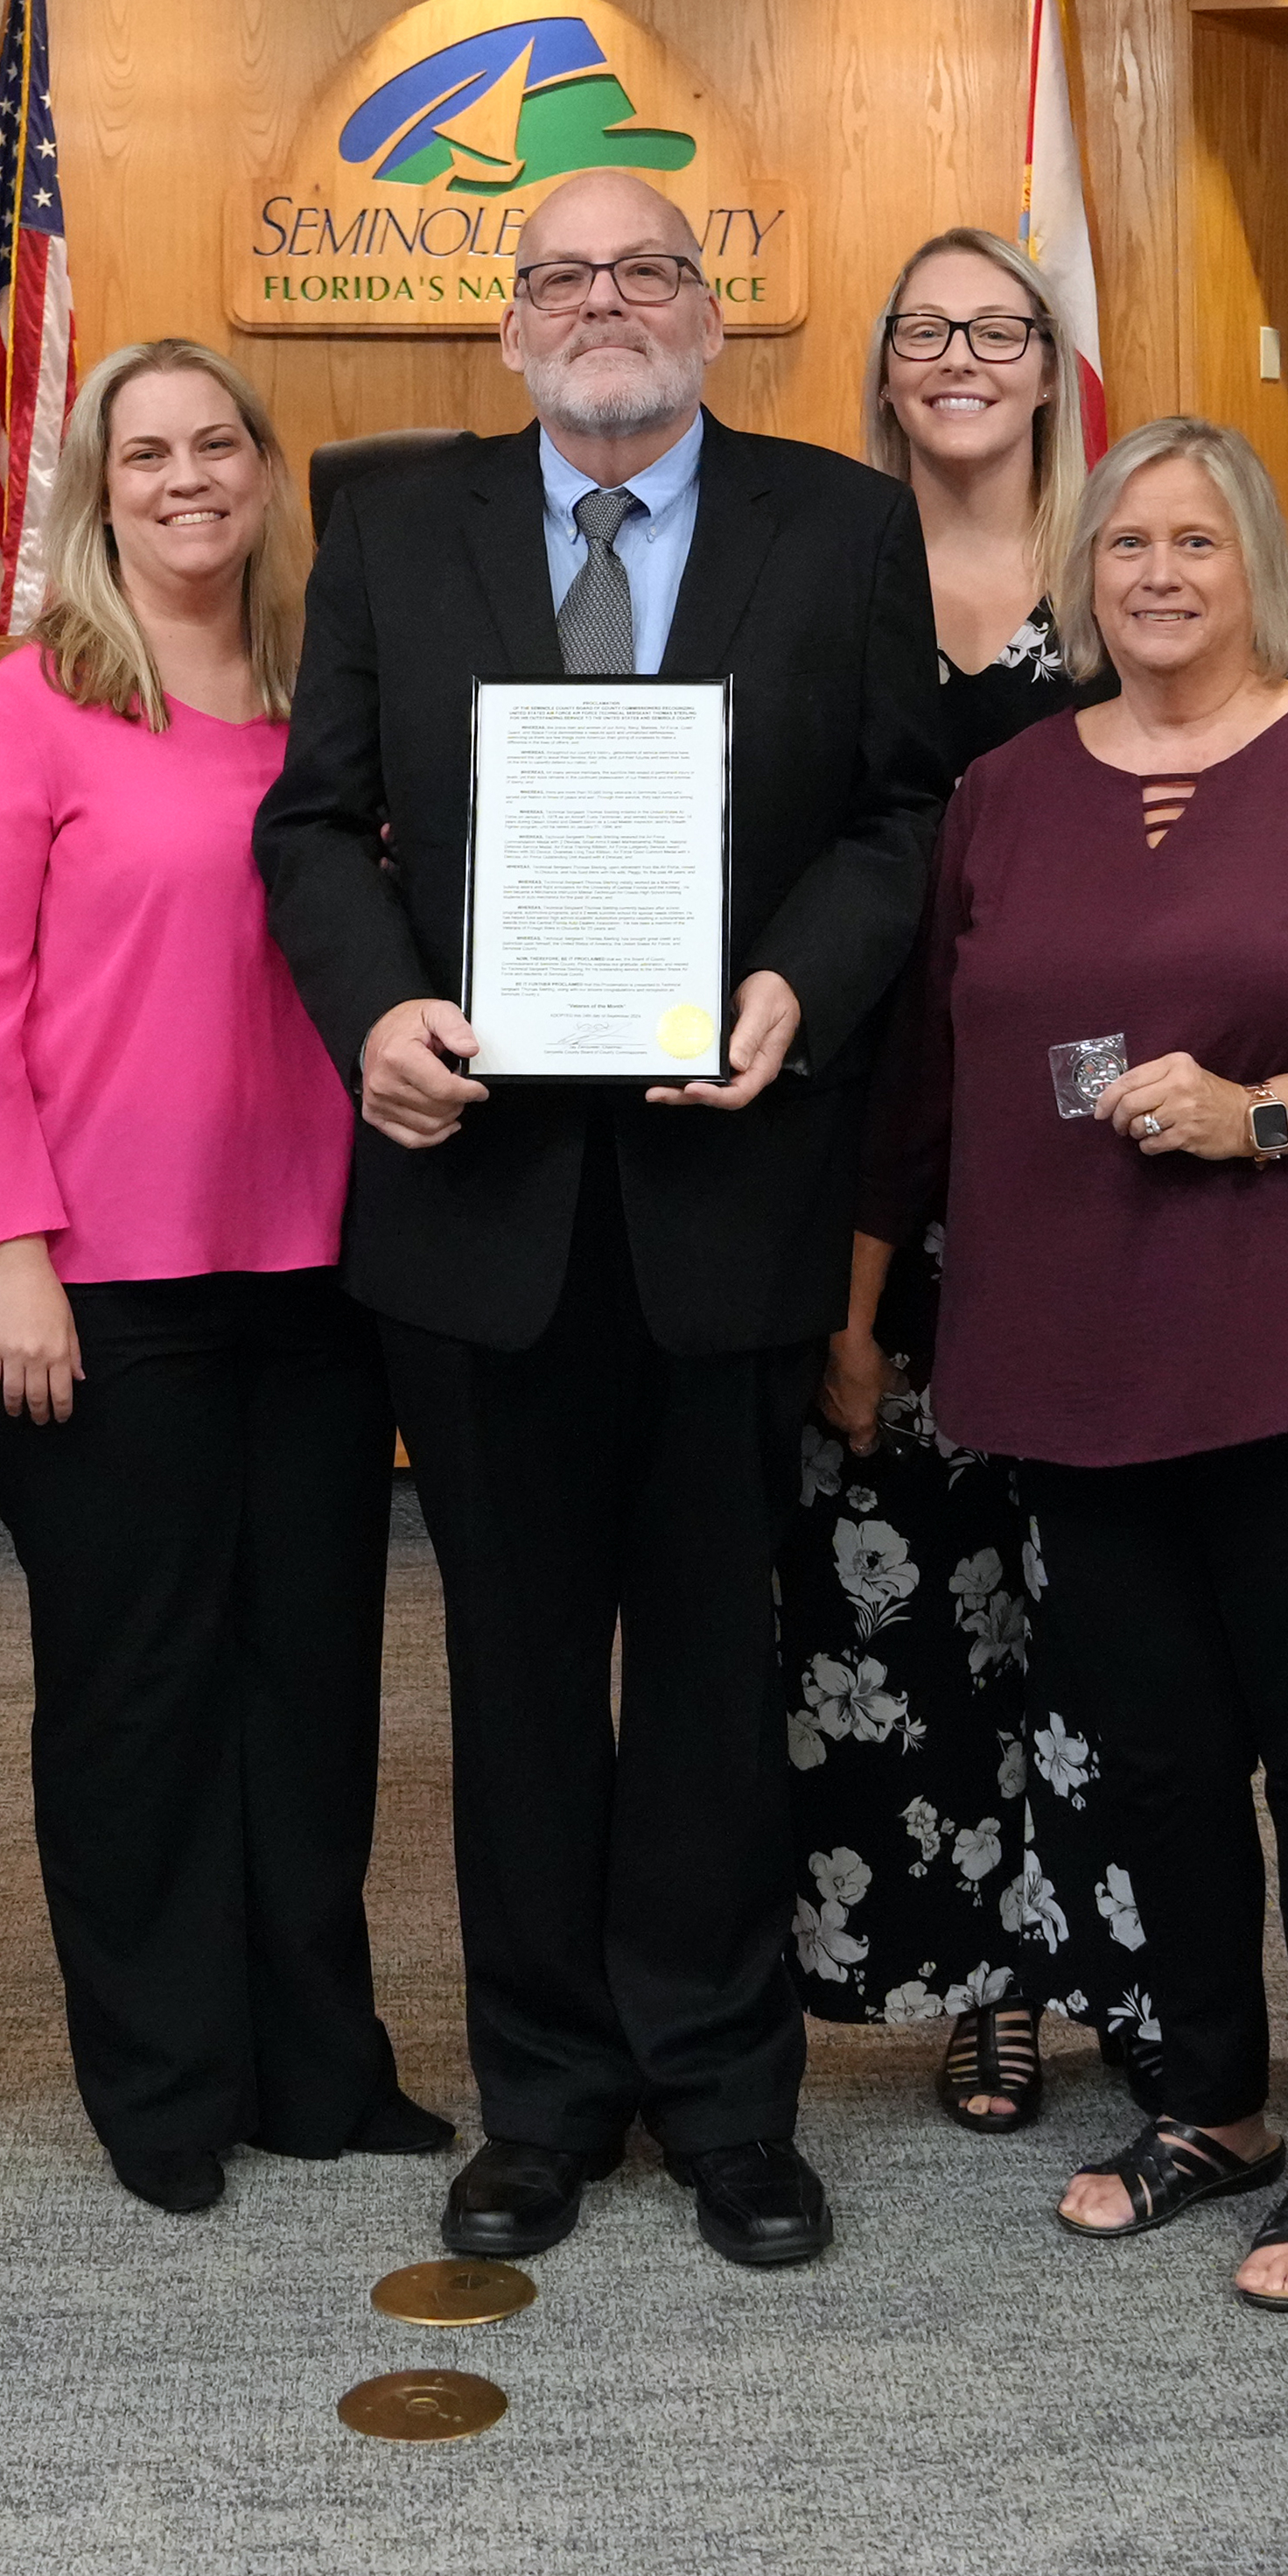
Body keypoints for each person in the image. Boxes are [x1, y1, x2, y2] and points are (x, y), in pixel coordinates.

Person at [258, 168, 954, 2273]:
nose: (606, 304)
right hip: (481, 1215)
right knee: (522, 1679)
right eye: (562, 277)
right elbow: (312, 817)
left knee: (722, 1689)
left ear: (710, 315)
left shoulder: (837, 521)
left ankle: (733, 2101)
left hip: (732, 1198)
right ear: (508, 326)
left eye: (649, 270)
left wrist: (798, 989)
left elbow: (901, 813)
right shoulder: (396, 522)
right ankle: (545, 2099)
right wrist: (371, 1006)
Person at [858, 418, 1288, 2313]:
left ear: (1262, 569)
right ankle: (1209, 2105)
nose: (1159, 576)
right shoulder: (1005, 789)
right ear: (1085, 577)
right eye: (1127, 546)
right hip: (1078, 1347)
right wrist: (855, 1316)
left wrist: (1266, 1117)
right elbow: (927, 1081)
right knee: (1151, 1758)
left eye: (1197, 543)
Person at [795, 232, 1288, 2135]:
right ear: (883, 368)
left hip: (1178, 1201)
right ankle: (983, 1979)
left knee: (1123, 1633)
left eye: (1002, 328)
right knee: (918, 1613)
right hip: (898, 1124)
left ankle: (1138, 1986)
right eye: (926, 331)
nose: (962, 358)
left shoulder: (1170, 571)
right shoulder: (812, 562)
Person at [0, 342, 439, 2216]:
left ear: (273, 476)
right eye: (149, 453)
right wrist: (9, 1258)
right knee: (140, 1691)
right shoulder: (24, 711)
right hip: (93, 1283)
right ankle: (165, 2084)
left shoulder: (327, 708)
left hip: (319, 1267)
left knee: (310, 1684)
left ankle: (318, 2067)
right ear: (93, 491)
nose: (189, 478)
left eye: (221, 446)